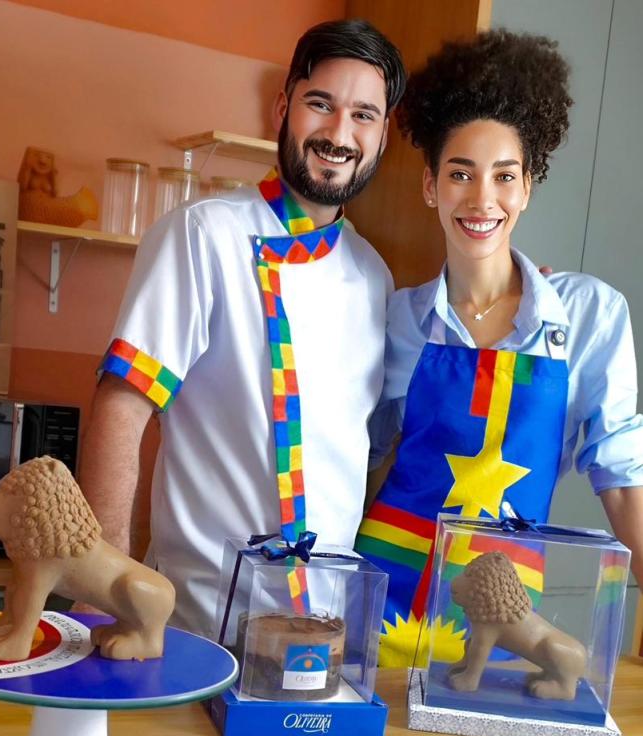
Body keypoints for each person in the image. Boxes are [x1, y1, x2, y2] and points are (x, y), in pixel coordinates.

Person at [79, 20, 406, 635]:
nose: (340, 134)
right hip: (196, 624)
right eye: (320, 104)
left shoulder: (375, 278)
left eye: (363, 115)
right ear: (283, 109)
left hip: (321, 632)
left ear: (383, 135)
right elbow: (122, 406)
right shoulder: (203, 234)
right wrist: (103, 590)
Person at [356, 29, 643, 666]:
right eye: (460, 173)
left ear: (527, 187)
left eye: (504, 176)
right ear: (430, 186)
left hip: (503, 609)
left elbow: (624, 481)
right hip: (384, 602)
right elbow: (361, 462)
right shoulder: (398, 318)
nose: (481, 198)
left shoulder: (588, 316)